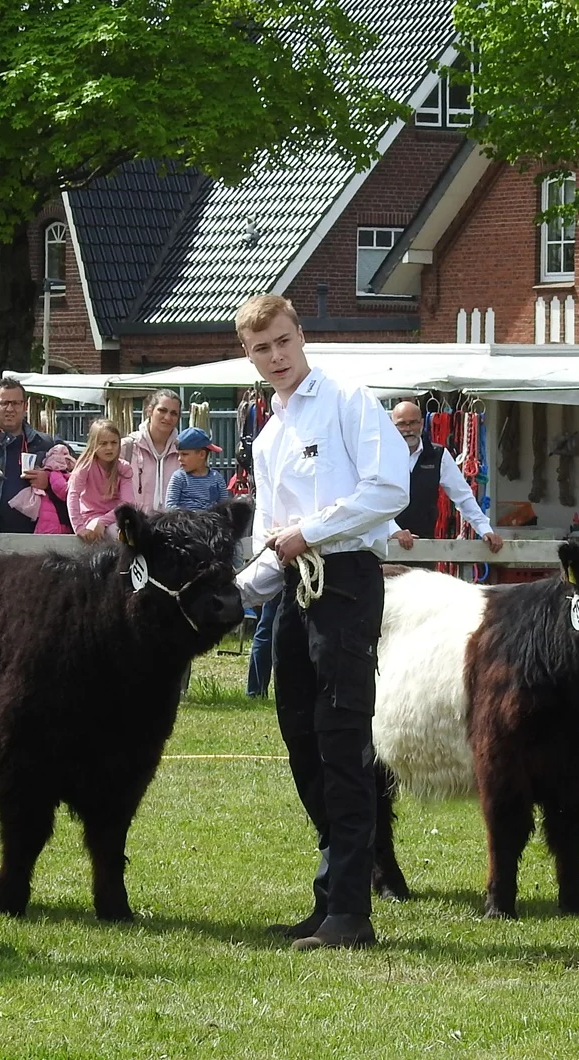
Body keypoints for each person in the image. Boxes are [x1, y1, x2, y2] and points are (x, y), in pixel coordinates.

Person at [231, 293, 407, 950]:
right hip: (293, 592)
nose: (275, 357)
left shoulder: (347, 399)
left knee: (340, 740)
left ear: (300, 334)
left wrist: (310, 530)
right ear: (248, 357)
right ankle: (332, 896)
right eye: (260, 349)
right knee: (301, 741)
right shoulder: (269, 433)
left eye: (281, 341)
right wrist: (232, 596)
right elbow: (268, 542)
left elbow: (390, 489)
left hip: (346, 582)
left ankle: (351, 913)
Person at [388, 400, 503, 553]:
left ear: (422, 423)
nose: (408, 429)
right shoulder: (381, 455)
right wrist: (394, 531)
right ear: (392, 425)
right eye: (402, 424)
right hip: (385, 546)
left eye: (413, 423)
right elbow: (373, 501)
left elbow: (463, 496)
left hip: (424, 548)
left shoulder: (438, 455)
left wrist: (485, 530)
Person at [0, 376, 60, 534]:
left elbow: (70, 486)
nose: (10, 409)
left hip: (34, 539)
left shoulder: (46, 443)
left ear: (25, 406)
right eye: (4, 403)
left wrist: (49, 481)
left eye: (16, 403)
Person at [66, 418, 134, 542]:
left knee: (126, 532)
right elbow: (73, 495)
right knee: (111, 533)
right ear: (94, 445)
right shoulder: (85, 467)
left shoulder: (124, 468)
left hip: (115, 517)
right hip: (91, 518)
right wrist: (79, 527)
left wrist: (104, 521)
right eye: (103, 443)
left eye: (114, 442)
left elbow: (127, 503)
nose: (109, 448)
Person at [123, 388, 184, 512]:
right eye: (162, 410)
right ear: (149, 411)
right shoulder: (127, 447)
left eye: (174, 413)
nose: (167, 417)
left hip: (172, 527)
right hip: (136, 526)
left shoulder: (184, 450)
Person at [165, 427, 229, 510]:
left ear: (202, 454)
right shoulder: (179, 477)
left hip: (211, 521)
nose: (179, 458)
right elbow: (170, 507)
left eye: (185, 454)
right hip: (186, 522)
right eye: (179, 454)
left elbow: (225, 507)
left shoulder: (217, 478)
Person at [26, 443, 77, 534]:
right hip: (54, 523)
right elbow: (62, 490)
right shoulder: (56, 473)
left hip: (50, 521)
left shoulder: (51, 473)